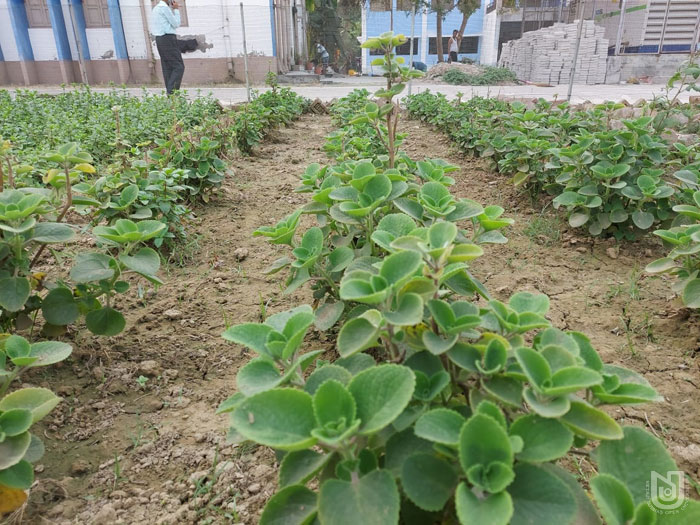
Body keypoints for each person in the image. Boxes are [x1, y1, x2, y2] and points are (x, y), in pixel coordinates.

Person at [152, 0, 184, 94]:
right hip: (168, 38)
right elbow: (176, 24)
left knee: (168, 67)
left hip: (159, 39)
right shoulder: (164, 8)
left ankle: (170, 94)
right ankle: (172, 92)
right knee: (178, 67)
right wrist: (176, 10)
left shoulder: (156, 9)